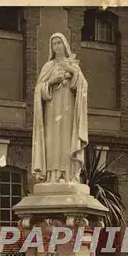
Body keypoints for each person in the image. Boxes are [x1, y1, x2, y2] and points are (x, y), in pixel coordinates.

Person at [32, 32, 88, 183]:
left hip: (68, 109)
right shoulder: (48, 66)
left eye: (59, 43)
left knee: (66, 138)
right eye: (54, 43)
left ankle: (67, 174)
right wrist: (51, 82)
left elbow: (82, 87)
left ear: (65, 45)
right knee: (52, 140)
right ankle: (53, 175)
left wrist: (71, 71)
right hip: (52, 109)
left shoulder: (73, 65)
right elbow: (38, 90)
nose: (57, 46)